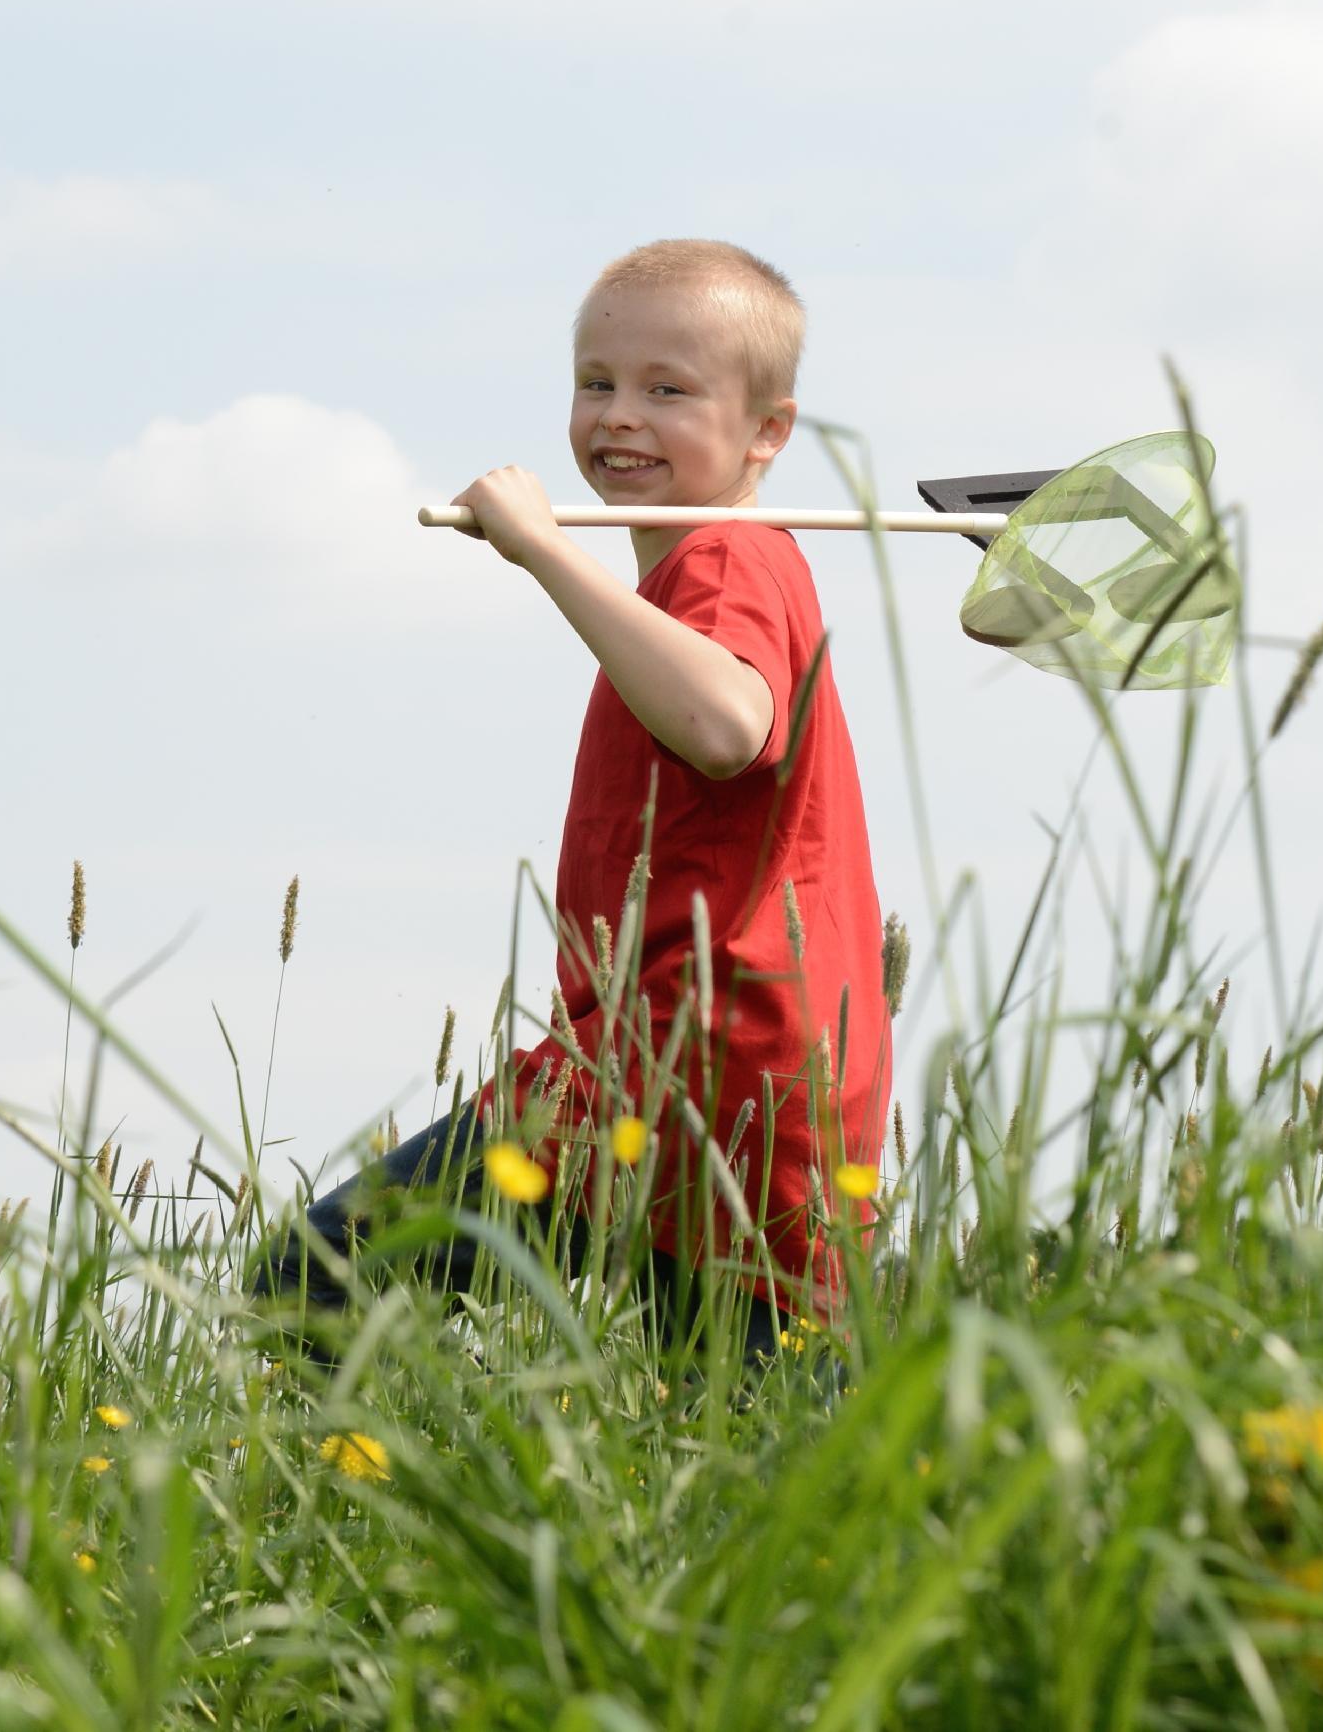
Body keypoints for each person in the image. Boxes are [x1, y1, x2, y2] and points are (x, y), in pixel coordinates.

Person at [251, 239, 891, 1366]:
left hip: (689, 1068)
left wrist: (547, 554)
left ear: (767, 434)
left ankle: (437, 1507)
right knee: (736, 1424)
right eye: (597, 382)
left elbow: (728, 724)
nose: (619, 416)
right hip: (719, 1070)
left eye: (668, 389)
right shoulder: (698, 570)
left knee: (314, 1277)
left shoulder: (727, 564)